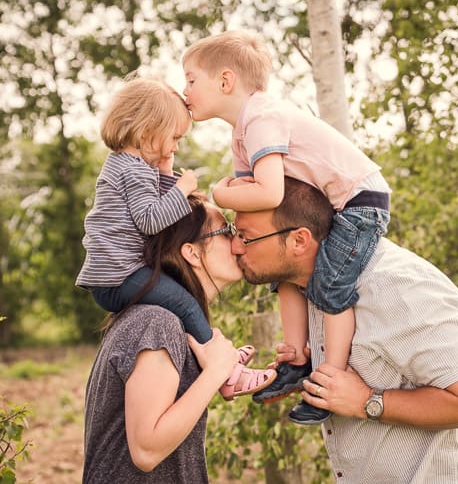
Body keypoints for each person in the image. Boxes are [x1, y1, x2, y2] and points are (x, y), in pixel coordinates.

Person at [231, 177, 458, 483]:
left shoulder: (399, 286)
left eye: (246, 237)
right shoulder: (315, 290)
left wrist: (366, 400)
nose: (235, 246)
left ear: (299, 240)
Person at [183, 30, 391, 424]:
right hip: (326, 202)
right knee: (284, 274)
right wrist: (232, 198)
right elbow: (257, 201)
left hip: (361, 201)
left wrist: (219, 194)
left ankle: (331, 379)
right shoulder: (242, 131)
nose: (185, 90)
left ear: (225, 80)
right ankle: (296, 359)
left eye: (191, 80)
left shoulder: (262, 117)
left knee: (330, 284)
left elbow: (268, 192)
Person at [76, 77, 274, 400]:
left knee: (178, 305)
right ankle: (226, 372)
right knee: (183, 301)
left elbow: (158, 212)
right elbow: (152, 220)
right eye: (175, 137)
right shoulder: (134, 170)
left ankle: (208, 350)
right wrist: (181, 188)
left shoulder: (126, 166)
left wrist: (167, 174)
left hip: (112, 276)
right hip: (118, 277)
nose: (176, 146)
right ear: (147, 132)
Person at [84, 193, 254, 483]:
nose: (238, 243)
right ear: (192, 253)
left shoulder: (163, 320)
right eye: (226, 231)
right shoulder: (157, 322)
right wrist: (216, 373)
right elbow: (146, 451)